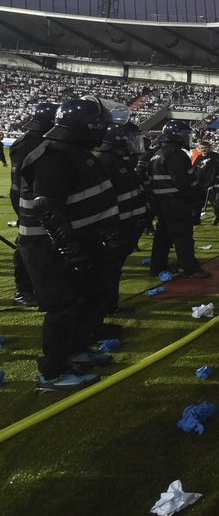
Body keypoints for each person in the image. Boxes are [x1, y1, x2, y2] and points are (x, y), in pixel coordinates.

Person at [18, 97, 120, 391]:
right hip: (48, 248)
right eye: (98, 125)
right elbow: (46, 207)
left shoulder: (70, 150)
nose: (102, 131)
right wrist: (68, 248)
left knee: (81, 300)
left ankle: (74, 351)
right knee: (62, 307)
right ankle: (52, 373)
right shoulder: (54, 155)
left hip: (72, 243)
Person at [97, 122, 149, 316]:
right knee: (108, 271)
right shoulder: (105, 161)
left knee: (114, 270)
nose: (136, 143)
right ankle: (106, 307)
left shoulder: (119, 159)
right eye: (131, 139)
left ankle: (111, 305)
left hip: (125, 224)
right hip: (115, 226)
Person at [8, 101, 58, 307]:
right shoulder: (33, 143)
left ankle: (33, 287)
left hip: (23, 195)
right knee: (28, 245)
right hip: (28, 198)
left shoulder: (27, 140)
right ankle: (24, 290)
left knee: (36, 244)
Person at [148, 120, 210, 279]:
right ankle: (190, 268)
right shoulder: (176, 154)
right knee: (183, 236)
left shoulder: (158, 153)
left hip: (161, 201)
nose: (186, 138)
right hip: (175, 201)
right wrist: (195, 197)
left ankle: (157, 266)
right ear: (176, 135)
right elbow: (185, 182)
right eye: (184, 134)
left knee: (162, 236)